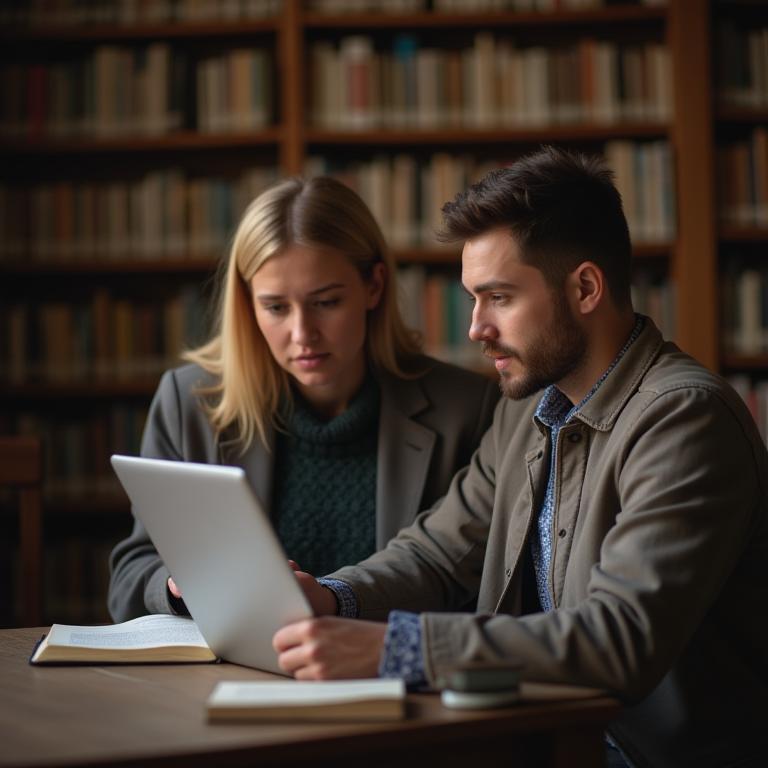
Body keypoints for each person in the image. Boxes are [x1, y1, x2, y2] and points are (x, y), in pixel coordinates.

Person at [272, 148, 768, 768]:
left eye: (498, 297)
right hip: (539, 739)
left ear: (585, 287)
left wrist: (397, 649)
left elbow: (619, 639)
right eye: (472, 299)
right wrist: (331, 597)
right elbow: (437, 554)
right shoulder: (527, 406)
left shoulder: (684, 419)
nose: (476, 327)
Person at [107, 176, 499, 621]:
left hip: (385, 670)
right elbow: (129, 578)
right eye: (275, 307)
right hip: (234, 675)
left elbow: (473, 581)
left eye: (326, 302)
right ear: (248, 303)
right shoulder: (190, 402)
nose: (302, 334)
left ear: (374, 286)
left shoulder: (466, 408)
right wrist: (176, 589)